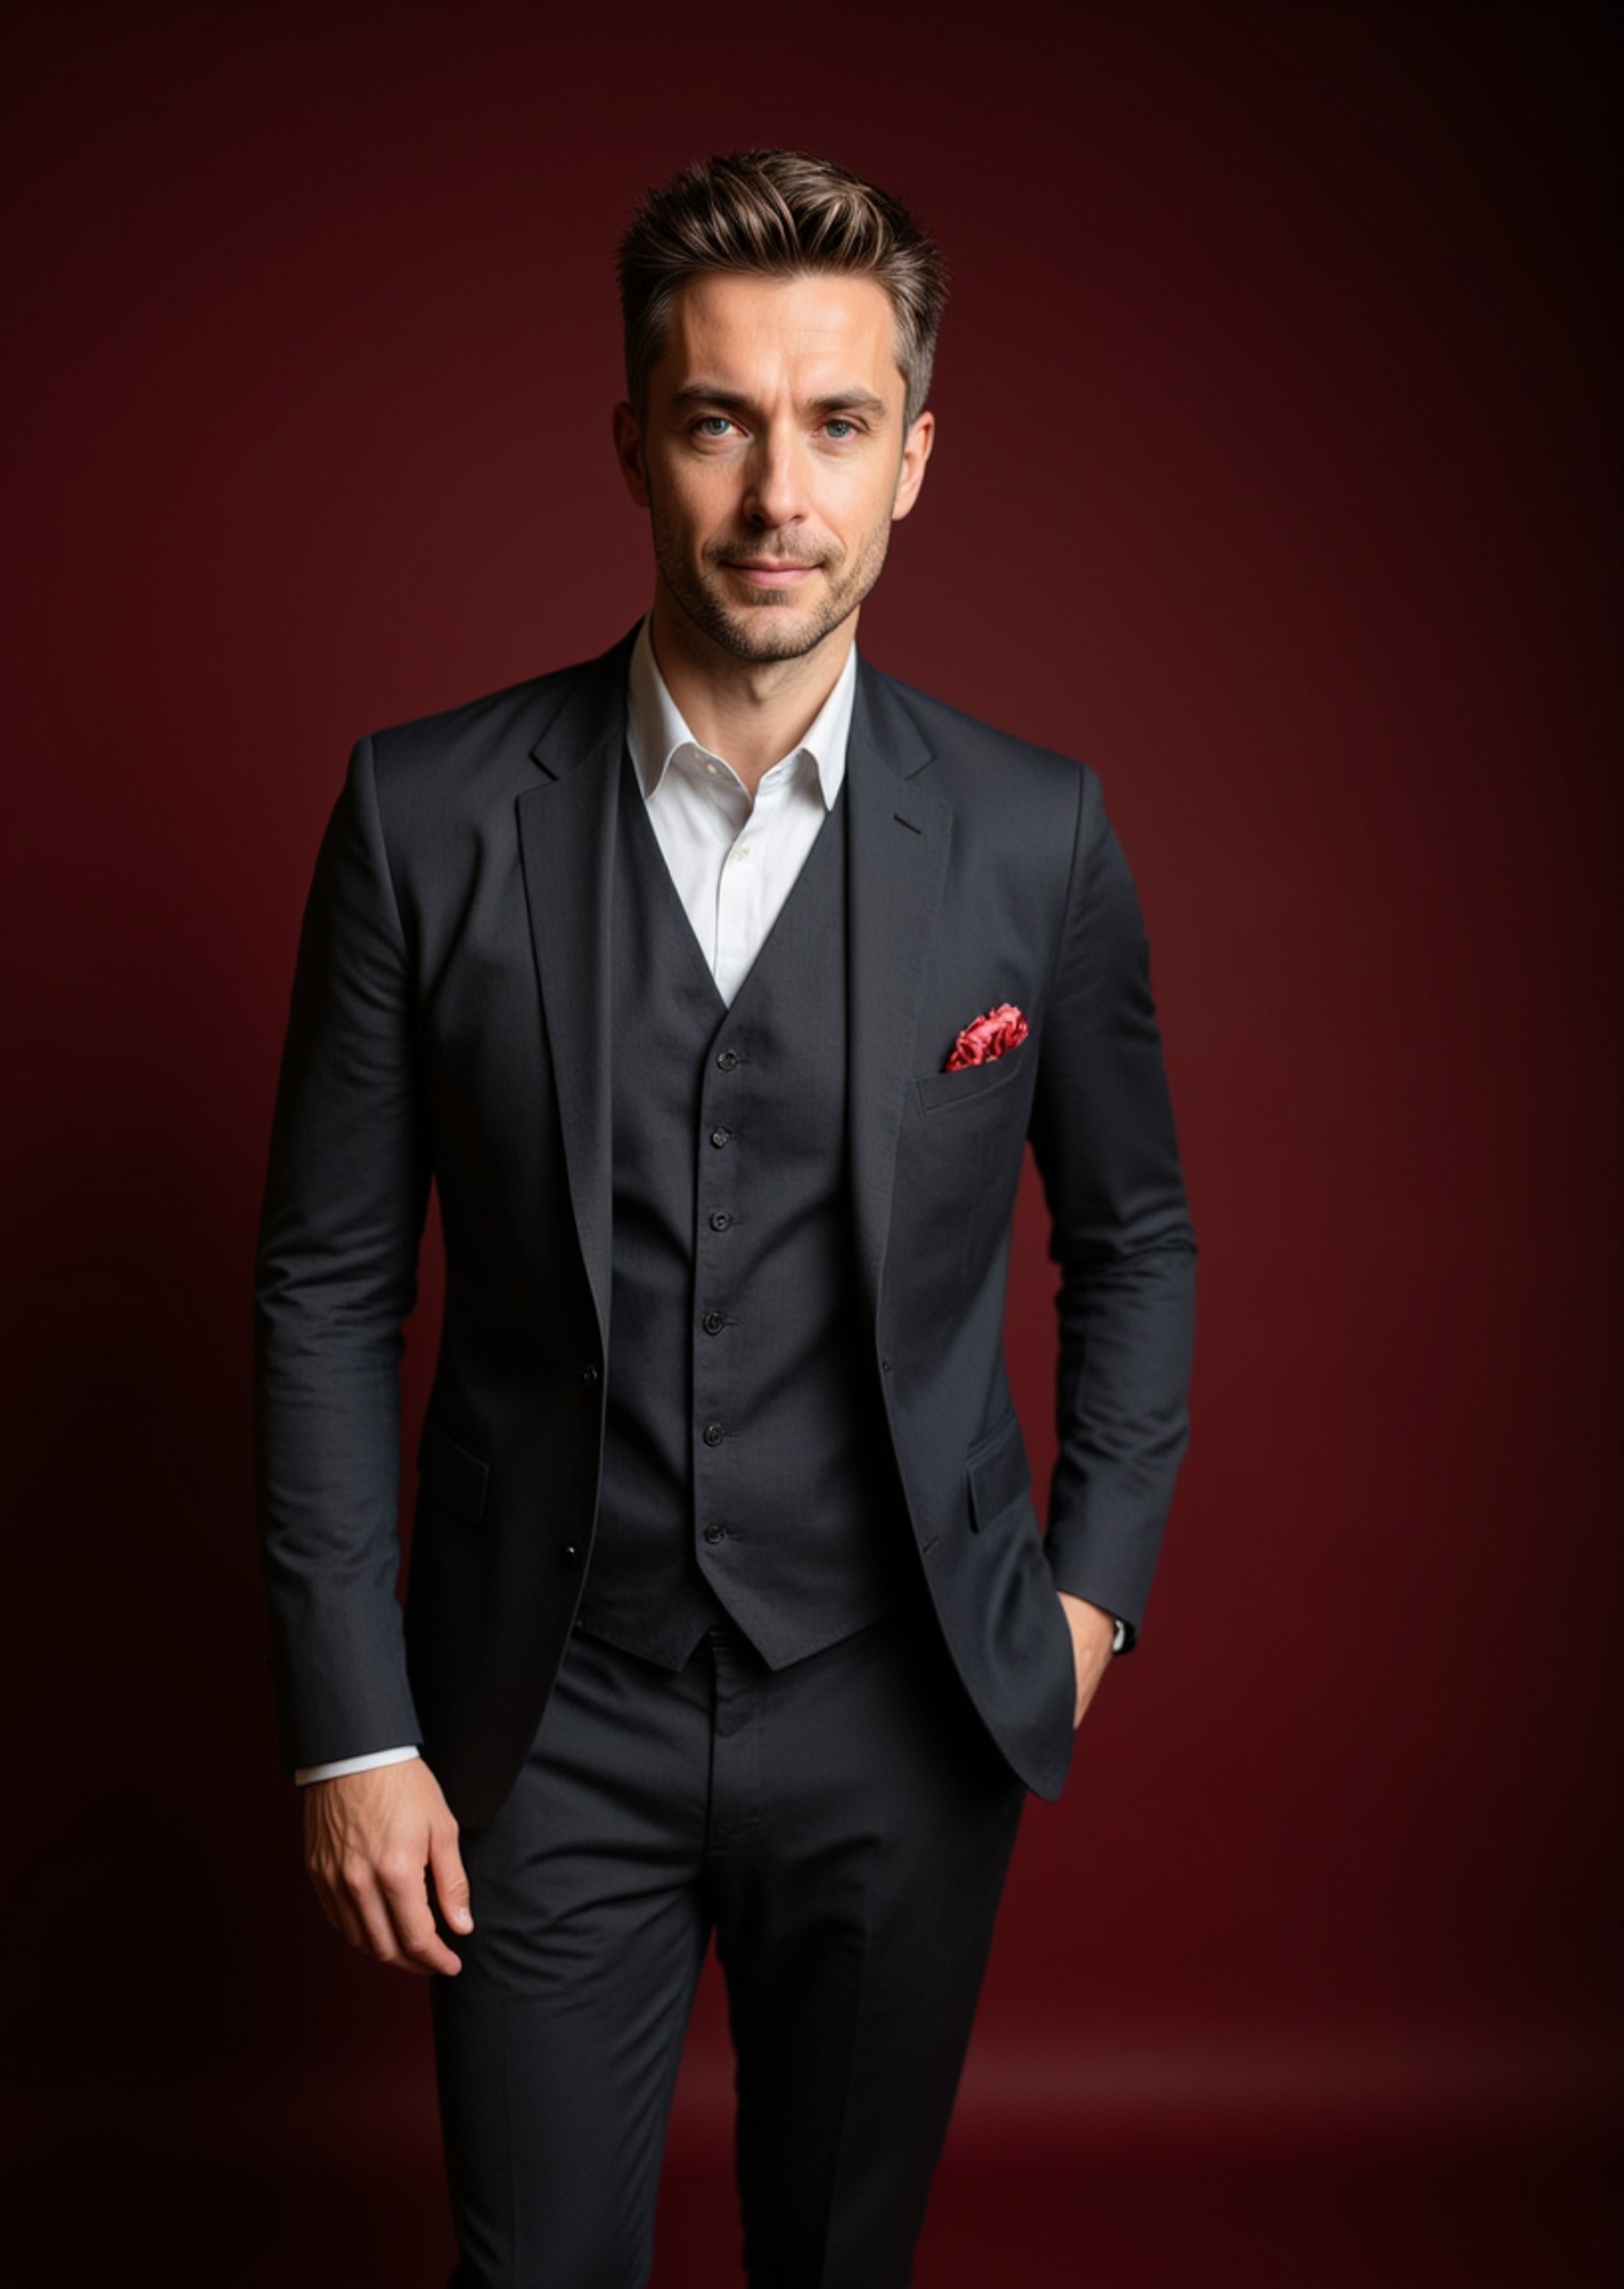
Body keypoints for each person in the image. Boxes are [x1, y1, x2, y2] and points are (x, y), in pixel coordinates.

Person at [254, 146, 1196, 2288]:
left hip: (903, 1703)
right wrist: (353, 1716)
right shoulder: (422, 819)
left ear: (914, 460)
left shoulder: (1040, 839)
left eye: (837, 424)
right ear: (633, 443)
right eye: (719, 420)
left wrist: (1083, 1604)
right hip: (534, 1714)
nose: (781, 491)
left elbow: (1134, 1235)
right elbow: (321, 1283)